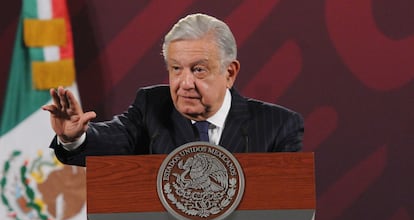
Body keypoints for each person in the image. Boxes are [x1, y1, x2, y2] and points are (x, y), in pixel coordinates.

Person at [42, 13, 304, 167]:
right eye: (176, 69)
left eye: (198, 70)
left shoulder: (278, 126)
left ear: (230, 72)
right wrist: (74, 137)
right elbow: (112, 138)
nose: (184, 83)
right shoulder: (152, 108)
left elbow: (287, 209)